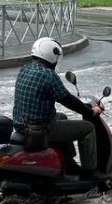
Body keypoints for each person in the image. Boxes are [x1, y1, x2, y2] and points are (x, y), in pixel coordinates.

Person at [13, 37, 104, 179]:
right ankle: (89, 173)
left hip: (22, 125)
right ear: (53, 55)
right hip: (40, 130)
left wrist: (81, 99)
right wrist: (90, 111)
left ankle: (69, 162)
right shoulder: (49, 75)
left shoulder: (25, 68)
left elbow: (60, 94)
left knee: (62, 117)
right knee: (87, 129)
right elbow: (67, 100)